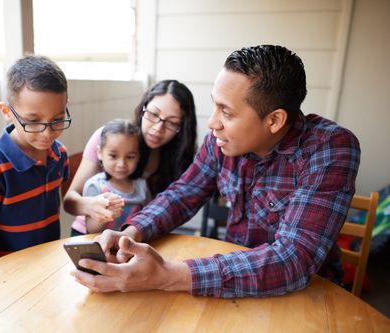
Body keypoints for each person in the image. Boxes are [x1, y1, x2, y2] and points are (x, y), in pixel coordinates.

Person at [70, 45, 361, 298]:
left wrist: (167, 274)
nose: (212, 123)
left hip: (310, 293)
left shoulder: (330, 148)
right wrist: (130, 233)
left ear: (274, 120)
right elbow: (183, 194)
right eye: (214, 105)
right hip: (235, 279)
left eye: (227, 112)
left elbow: (293, 260)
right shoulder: (221, 141)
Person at [0, 55, 71, 266]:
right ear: (7, 112)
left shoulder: (59, 154)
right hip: (8, 274)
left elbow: (66, 201)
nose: (47, 133)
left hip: (47, 264)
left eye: (57, 120)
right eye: (33, 121)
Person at [64, 80, 198, 235]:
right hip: (88, 235)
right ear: (143, 110)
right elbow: (69, 202)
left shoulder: (179, 159)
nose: (157, 128)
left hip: (137, 236)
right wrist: (92, 205)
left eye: (172, 123)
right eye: (153, 114)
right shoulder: (110, 137)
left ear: (182, 128)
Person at [72, 119, 150, 234]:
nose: (121, 164)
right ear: (99, 153)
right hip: (92, 241)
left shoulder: (142, 186)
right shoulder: (95, 186)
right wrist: (106, 213)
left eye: (130, 157)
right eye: (113, 156)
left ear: (138, 156)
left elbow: (147, 219)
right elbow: (91, 230)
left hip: (127, 243)